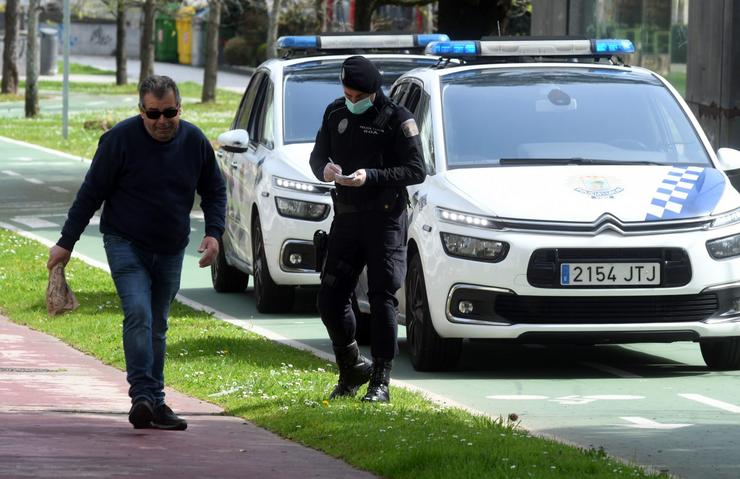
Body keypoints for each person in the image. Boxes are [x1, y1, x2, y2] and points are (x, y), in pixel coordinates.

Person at [46, 75, 226, 430]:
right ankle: (143, 397)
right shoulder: (118, 141)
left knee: (158, 323)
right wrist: (66, 243)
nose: (162, 121)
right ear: (141, 110)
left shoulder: (194, 142)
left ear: (180, 108)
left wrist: (214, 234)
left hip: (172, 247)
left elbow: (214, 190)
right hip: (124, 241)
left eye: (170, 112)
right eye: (153, 113)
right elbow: (90, 194)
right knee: (139, 315)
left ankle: (154, 404)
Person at [309, 56, 426, 403]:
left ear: (374, 92)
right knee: (330, 298)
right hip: (346, 219)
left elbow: (416, 170)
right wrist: (325, 171)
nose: (352, 100)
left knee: (382, 299)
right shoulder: (335, 113)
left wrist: (370, 177)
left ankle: (380, 381)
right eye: (347, 93)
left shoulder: (398, 120)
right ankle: (350, 366)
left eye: (358, 96)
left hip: (384, 220)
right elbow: (317, 157)